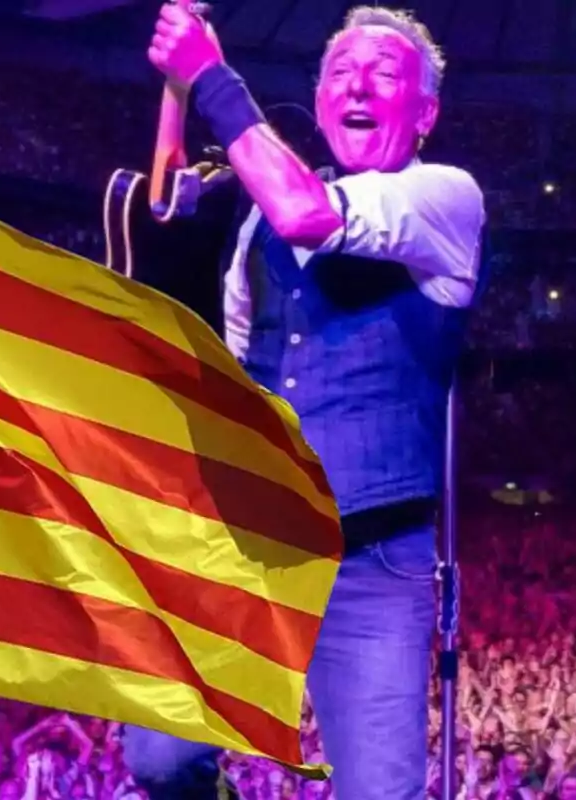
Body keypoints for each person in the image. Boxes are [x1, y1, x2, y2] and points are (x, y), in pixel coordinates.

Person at [121, 4, 485, 799]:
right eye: (340, 74)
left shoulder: (443, 197)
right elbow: (238, 355)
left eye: (385, 76)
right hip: (247, 536)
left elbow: (307, 215)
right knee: (159, 757)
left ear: (423, 113)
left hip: (372, 556)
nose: (358, 85)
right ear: (319, 102)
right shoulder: (257, 221)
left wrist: (213, 77)